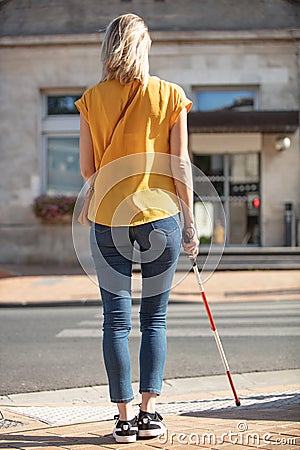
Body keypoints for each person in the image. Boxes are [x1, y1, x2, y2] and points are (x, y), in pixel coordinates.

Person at [75, 13, 199, 444]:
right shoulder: (169, 95)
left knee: (115, 320)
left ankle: (123, 419)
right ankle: (149, 415)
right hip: (159, 217)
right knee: (155, 318)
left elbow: (88, 168)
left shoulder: (91, 99)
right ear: (143, 47)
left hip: (109, 218)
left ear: (109, 47)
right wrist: (189, 222)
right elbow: (179, 163)